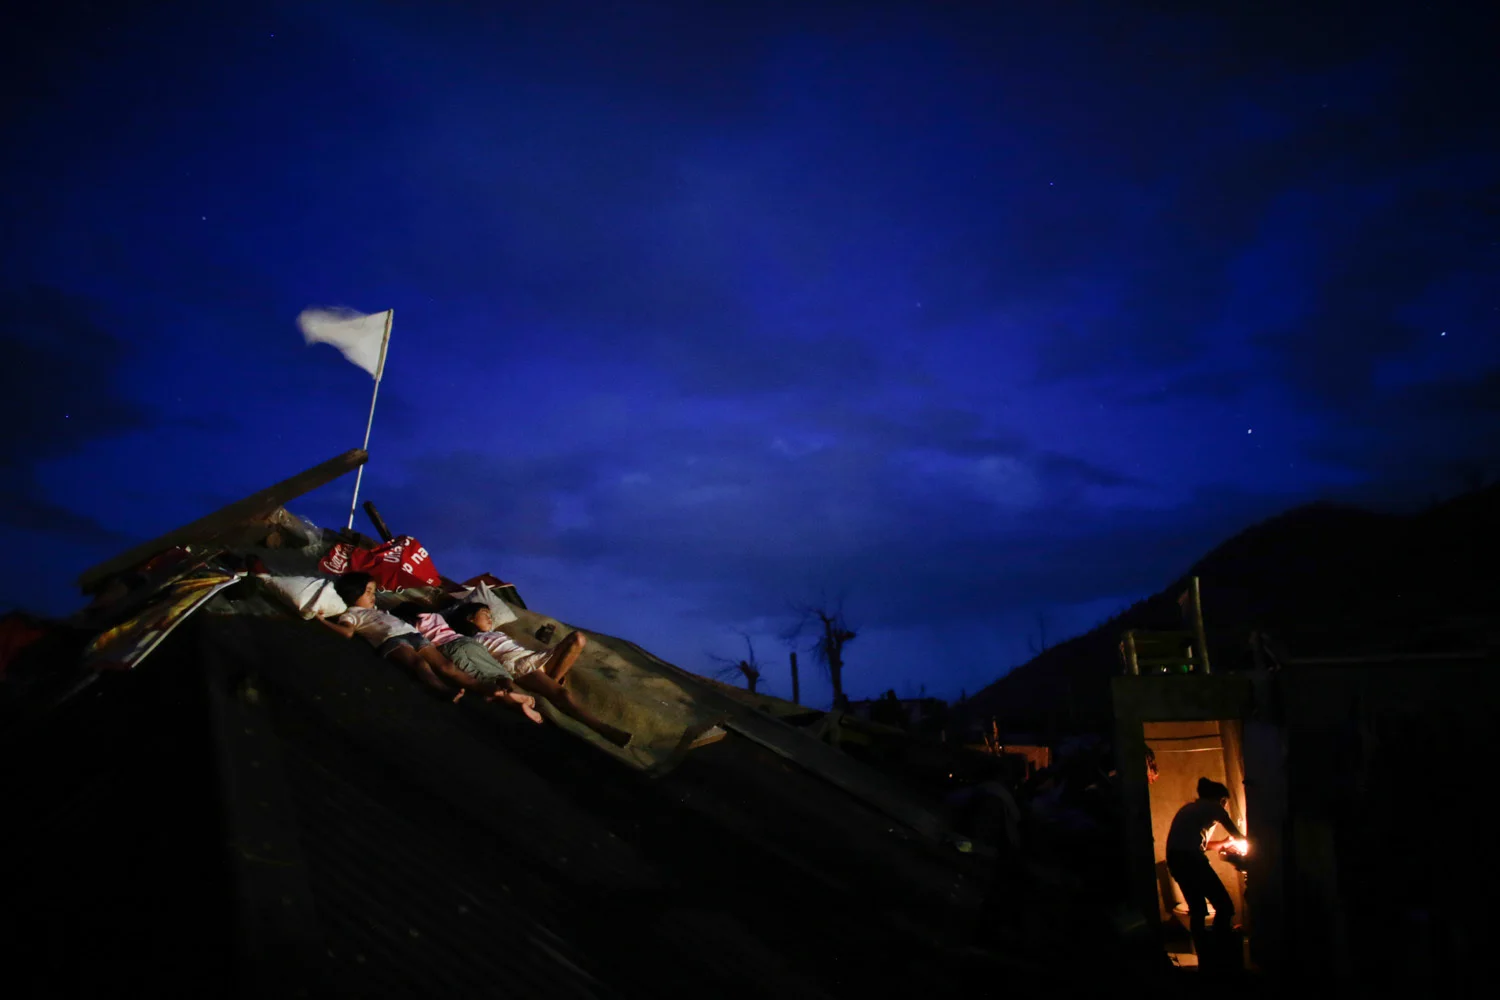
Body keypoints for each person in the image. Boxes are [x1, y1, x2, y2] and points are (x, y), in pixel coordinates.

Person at [318, 573, 538, 722]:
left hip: (413, 635)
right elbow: (347, 632)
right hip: (392, 640)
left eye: (372, 590)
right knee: (419, 663)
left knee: (448, 667)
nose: (372, 595)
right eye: (367, 591)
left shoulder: (378, 608)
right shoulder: (351, 614)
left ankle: (488, 690)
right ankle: (441, 690)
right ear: (352, 593)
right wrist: (322, 621)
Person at [446, 603, 633, 748]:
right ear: (470, 618)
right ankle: (603, 729)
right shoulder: (473, 640)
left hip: (535, 658)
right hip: (519, 665)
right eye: (485, 614)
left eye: (490, 615)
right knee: (562, 695)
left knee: (577, 639)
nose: (490, 618)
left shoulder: (497, 633)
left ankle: (552, 684)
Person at [391, 602, 543, 723]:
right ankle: (520, 699)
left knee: (484, 680)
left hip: (451, 648)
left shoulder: (412, 625)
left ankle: (512, 701)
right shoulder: (436, 616)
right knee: (500, 674)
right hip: (468, 642)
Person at [1166, 777, 1247, 971]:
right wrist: (1252, 844)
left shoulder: (1191, 809)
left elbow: (1199, 844)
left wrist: (1223, 844)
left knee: (1198, 910)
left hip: (1177, 861)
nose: (1225, 806)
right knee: (1225, 906)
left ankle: (1206, 958)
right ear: (1220, 799)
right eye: (1225, 802)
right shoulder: (1214, 807)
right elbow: (1239, 834)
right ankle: (1221, 950)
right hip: (1190, 861)